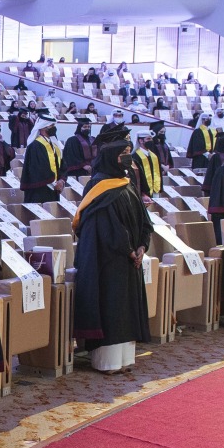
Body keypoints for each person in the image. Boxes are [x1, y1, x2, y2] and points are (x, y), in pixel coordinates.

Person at [72, 126, 152, 375]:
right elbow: (105, 227)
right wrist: (128, 249)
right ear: (110, 156)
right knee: (112, 307)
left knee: (126, 309)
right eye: (123, 154)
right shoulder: (98, 186)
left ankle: (125, 358)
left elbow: (143, 220)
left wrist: (141, 245)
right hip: (108, 260)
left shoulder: (126, 183)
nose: (128, 158)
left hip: (130, 260)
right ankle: (106, 361)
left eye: (129, 152)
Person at [21, 116, 63, 203]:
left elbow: (62, 163)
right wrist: (54, 184)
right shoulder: (35, 146)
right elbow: (40, 169)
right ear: (43, 127)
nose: (54, 128)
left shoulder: (54, 144)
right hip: (39, 190)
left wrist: (62, 180)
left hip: (53, 189)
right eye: (51, 126)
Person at [132, 131, 162, 200]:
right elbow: (136, 177)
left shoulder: (153, 155)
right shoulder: (135, 156)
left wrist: (159, 188)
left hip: (155, 190)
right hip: (142, 193)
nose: (151, 141)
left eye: (151, 139)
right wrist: (142, 192)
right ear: (141, 141)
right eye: (148, 139)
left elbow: (158, 173)